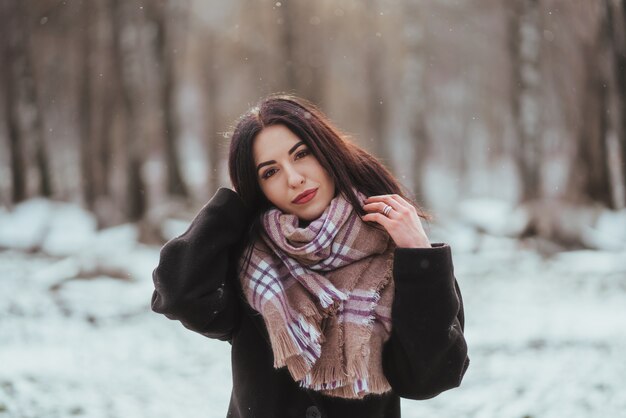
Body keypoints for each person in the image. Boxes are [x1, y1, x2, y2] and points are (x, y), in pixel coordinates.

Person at [151, 93, 469, 418]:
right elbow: (179, 294)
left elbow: (432, 377)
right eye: (269, 172)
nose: (293, 178)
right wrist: (232, 208)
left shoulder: (395, 255)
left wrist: (418, 254)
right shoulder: (250, 264)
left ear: (326, 151)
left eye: (301, 154)